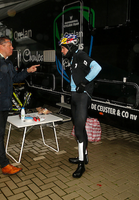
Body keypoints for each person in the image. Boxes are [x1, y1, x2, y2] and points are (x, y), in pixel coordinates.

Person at [0, 36, 39, 175]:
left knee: (1, 131)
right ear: (2, 46)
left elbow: (15, 78)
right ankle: (4, 164)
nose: (12, 48)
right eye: (10, 45)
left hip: (5, 103)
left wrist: (27, 71)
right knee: (0, 132)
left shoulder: (7, 62)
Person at [59, 34, 102, 178]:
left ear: (70, 46)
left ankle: (81, 165)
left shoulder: (81, 55)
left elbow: (97, 67)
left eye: (63, 48)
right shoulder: (74, 58)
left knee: (78, 130)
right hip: (75, 95)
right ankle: (83, 155)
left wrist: (84, 82)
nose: (62, 51)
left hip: (83, 97)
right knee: (79, 127)